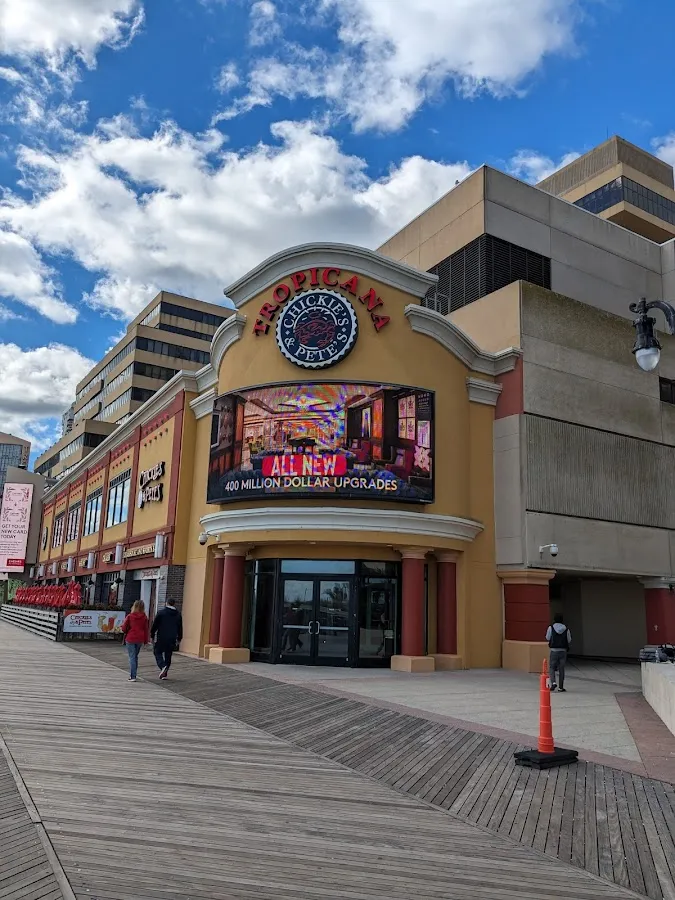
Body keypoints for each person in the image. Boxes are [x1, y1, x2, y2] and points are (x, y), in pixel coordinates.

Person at [151, 599, 183, 680]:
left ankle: (162, 666)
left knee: (157, 652)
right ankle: (164, 674)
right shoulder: (178, 614)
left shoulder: (161, 613)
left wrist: (152, 635)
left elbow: (155, 625)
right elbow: (180, 627)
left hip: (162, 636)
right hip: (172, 637)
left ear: (166, 603)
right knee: (168, 655)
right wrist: (179, 638)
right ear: (174, 604)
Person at [121, 600, 149, 682]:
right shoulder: (144, 617)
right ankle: (134, 674)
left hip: (131, 638)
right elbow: (146, 629)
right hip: (139, 638)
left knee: (132, 657)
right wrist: (146, 641)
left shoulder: (130, 616)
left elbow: (124, 628)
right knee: (135, 657)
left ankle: (133, 676)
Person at [546, 613, 571, 692]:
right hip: (563, 651)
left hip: (554, 650)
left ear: (554, 619)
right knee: (561, 669)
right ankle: (561, 687)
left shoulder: (551, 628)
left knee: (552, 667)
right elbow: (569, 640)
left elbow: (547, 637)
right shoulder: (566, 629)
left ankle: (553, 682)